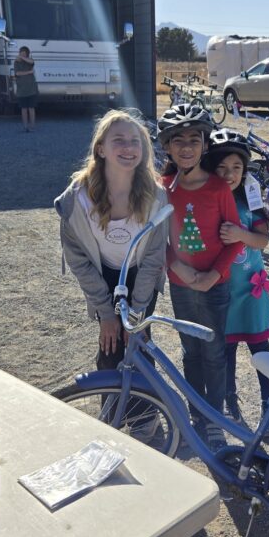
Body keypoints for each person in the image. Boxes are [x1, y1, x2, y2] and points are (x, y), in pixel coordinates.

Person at [157, 103, 243, 452]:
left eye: (195, 139)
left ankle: (215, 418)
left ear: (205, 145)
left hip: (214, 286)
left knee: (214, 353)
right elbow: (155, 238)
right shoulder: (162, 188)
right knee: (190, 352)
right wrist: (176, 267)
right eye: (178, 140)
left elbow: (235, 238)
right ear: (167, 146)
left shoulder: (218, 188)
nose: (187, 147)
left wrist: (214, 275)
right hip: (180, 286)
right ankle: (197, 414)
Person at [54, 110, 167, 371]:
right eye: (119, 140)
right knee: (110, 345)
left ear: (143, 149)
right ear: (101, 149)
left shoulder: (156, 196)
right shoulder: (77, 199)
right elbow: (79, 261)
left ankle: (144, 395)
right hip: (102, 273)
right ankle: (109, 396)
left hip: (141, 274)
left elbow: (154, 257)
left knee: (138, 344)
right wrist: (106, 313)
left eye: (135, 141)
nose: (128, 147)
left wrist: (137, 313)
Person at [202, 129, 269, 438]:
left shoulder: (249, 197)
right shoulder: (208, 200)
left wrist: (240, 235)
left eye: (236, 167)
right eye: (221, 167)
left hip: (251, 291)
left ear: (245, 170)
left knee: (261, 350)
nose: (229, 174)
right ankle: (229, 403)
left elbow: (262, 241)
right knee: (226, 352)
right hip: (223, 292)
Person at [14, 46, 38, 132]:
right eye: (21, 53)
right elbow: (17, 73)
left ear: (27, 54)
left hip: (31, 89)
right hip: (21, 90)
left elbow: (32, 62)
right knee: (23, 109)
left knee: (31, 108)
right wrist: (29, 72)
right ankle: (25, 126)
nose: (22, 54)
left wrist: (23, 58)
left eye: (24, 53)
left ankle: (32, 126)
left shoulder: (29, 61)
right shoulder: (16, 62)